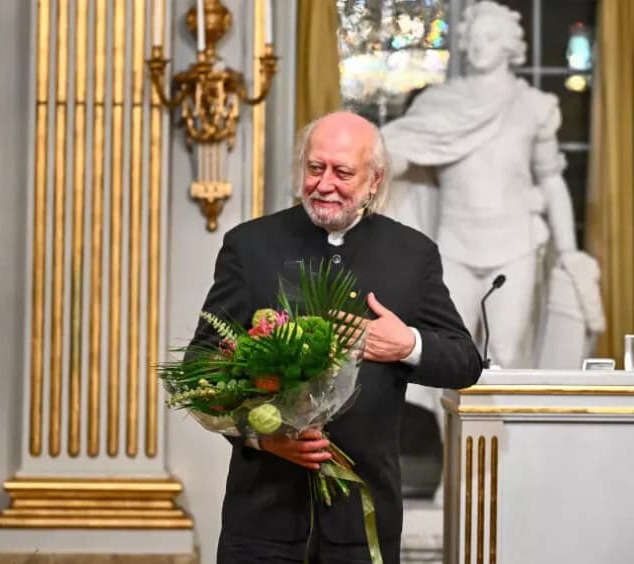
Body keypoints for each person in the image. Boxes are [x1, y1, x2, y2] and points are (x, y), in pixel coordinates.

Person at [190, 111, 483, 563]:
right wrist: (261, 437)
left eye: (343, 172)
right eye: (315, 168)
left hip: (362, 523)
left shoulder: (413, 254)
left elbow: (465, 361)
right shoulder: (249, 246)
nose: (325, 184)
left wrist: (408, 344)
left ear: (374, 181)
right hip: (262, 520)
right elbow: (199, 369)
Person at [381, 0, 604, 371]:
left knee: (507, 352)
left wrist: (568, 252)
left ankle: (504, 433)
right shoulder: (438, 104)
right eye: (475, 37)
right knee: (445, 354)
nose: (481, 45)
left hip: (513, 245)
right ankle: (448, 433)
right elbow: (398, 155)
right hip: (452, 244)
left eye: (491, 37)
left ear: (508, 45)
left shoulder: (534, 106)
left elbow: (550, 180)